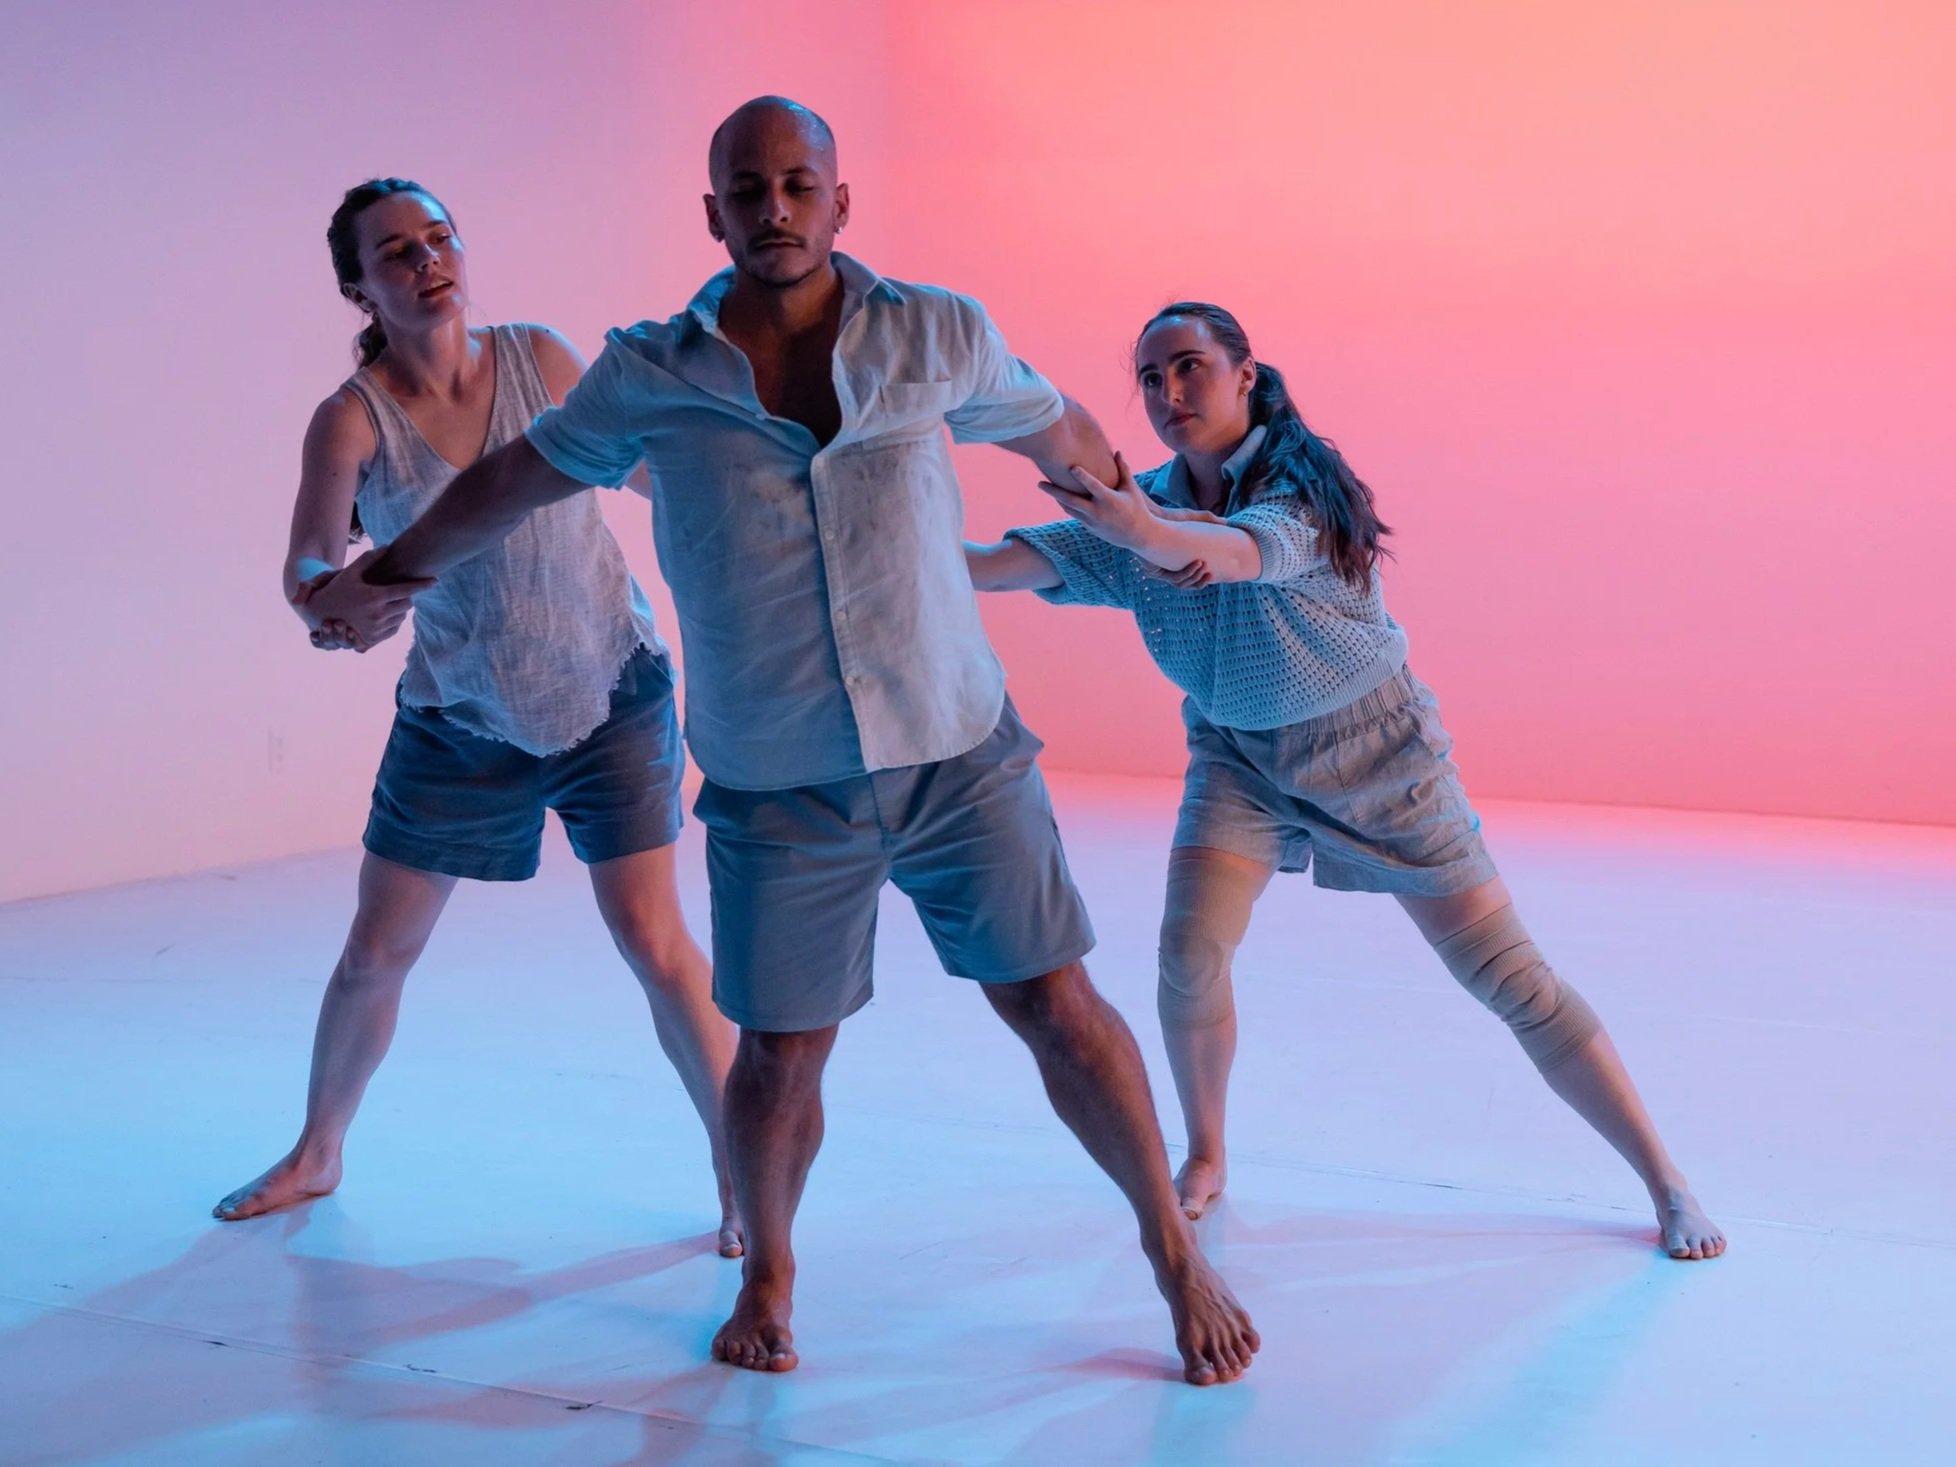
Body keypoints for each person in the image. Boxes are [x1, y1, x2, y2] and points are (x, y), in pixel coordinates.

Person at [350, 101, 1261, 1385]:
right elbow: (512, 482)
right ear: (712, 213)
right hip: (781, 780)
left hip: (955, 747)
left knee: (1060, 1008)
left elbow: (1051, 425)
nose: (773, 208)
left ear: (839, 203)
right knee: (780, 1054)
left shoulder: (936, 332)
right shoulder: (650, 373)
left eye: (797, 185)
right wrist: (387, 573)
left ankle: (1175, 1253)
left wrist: (1141, 519)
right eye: (747, 189)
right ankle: (770, 1271)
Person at [966, 301, 1725, 1261]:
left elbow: (1233, 553)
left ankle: (1667, 1181)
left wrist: (1137, 526)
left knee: (1510, 979)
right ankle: (1205, 1154)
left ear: (1247, 374)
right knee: (1187, 954)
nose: (1168, 393)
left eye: (1191, 367)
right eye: (1152, 378)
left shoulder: (1302, 492)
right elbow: (1007, 564)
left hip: (1380, 758)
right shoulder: (1141, 504)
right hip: (1238, 759)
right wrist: (894, 560)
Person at [214, 179, 742, 1260]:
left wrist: (729, 475)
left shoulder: (539, 359)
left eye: (438, 237)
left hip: (610, 690)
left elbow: (646, 474)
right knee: (377, 950)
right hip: (459, 718)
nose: (426, 261)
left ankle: (746, 1176)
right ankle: (319, 1151)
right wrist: (331, 600)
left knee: (654, 939)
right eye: (396, 251)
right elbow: (307, 562)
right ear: (359, 285)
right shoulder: (353, 418)